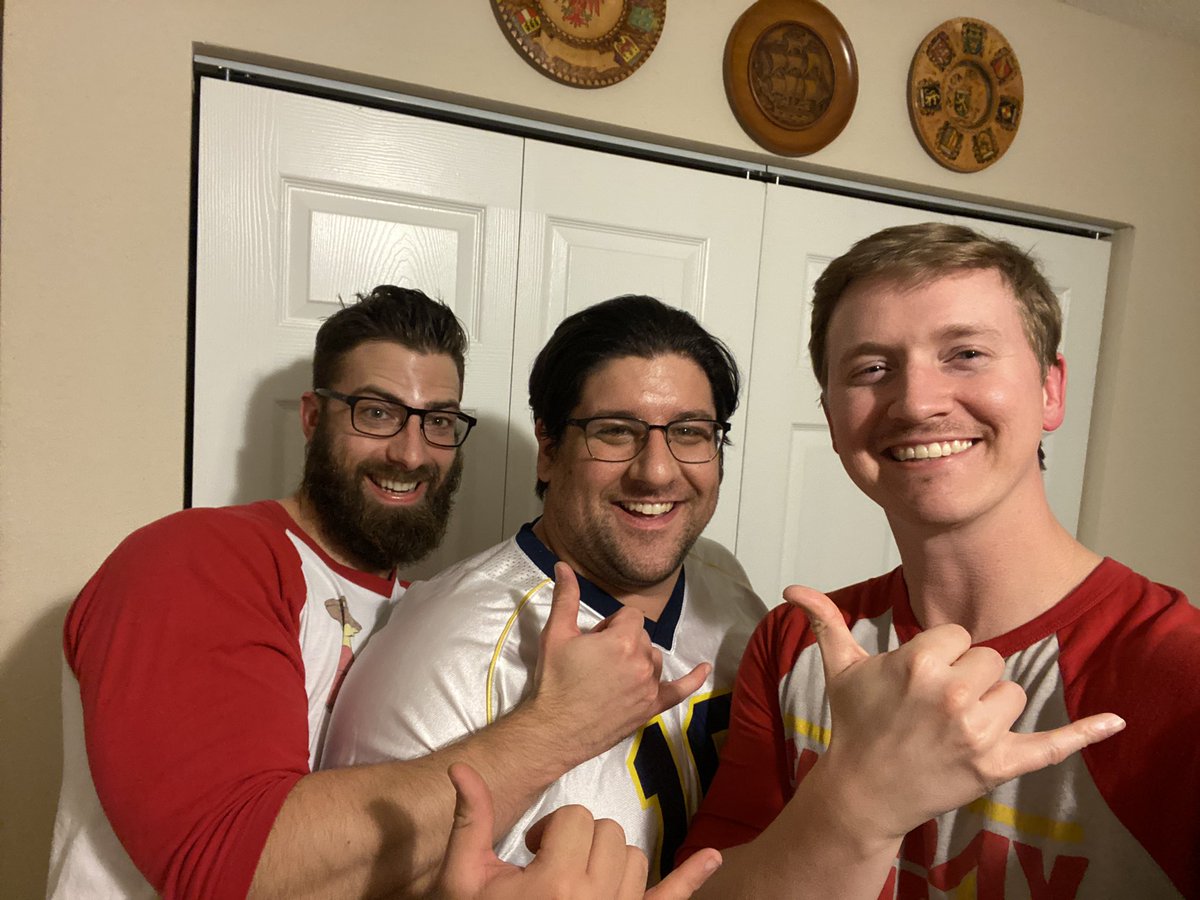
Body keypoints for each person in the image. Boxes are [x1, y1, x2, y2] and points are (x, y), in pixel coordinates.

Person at [47, 287, 708, 900]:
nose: (411, 454)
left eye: (438, 422)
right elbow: (230, 868)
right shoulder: (199, 562)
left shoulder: (417, 610)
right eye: (377, 413)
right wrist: (562, 727)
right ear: (313, 417)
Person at [679, 223, 1198, 897]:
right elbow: (701, 888)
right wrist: (857, 804)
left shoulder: (1179, 675)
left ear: (1050, 390)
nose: (918, 403)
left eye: (966, 354)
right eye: (872, 369)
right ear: (833, 418)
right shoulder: (794, 644)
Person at [323, 295, 769, 884]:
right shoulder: (440, 650)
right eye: (616, 432)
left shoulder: (731, 592)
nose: (657, 471)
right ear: (550, 449)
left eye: (689, 432)